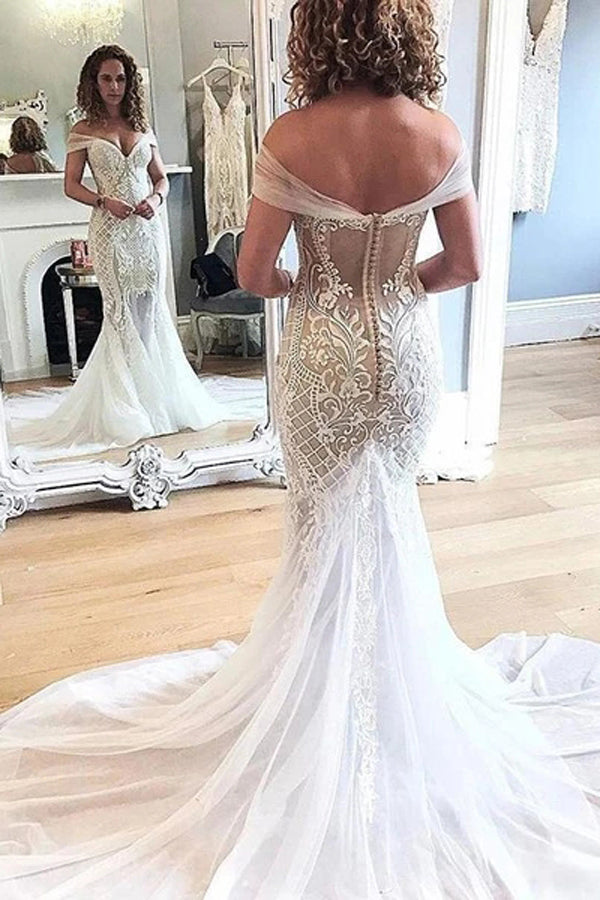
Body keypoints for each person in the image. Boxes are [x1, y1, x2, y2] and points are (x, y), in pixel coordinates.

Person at [2, 4, 600, 897]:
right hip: (404, 357)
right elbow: (465, 264)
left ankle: (317, 714)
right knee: (390, 518)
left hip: (323, 354)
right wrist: (394, 286)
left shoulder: (291, 134)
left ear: (319, 30)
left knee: (322, 531)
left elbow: (252, 273)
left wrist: (309, 284)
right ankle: (397, 712)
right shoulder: (438, 133)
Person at [8, 45, 225, 455]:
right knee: (120, 311)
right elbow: (70, 185)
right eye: (106, 78)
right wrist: (103, 201)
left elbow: (160, 179)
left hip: (147, 231)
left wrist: (156, 200)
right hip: (109, 230)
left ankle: (159, 399)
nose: (114, 86)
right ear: (94, 82)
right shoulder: (83, 130)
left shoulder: (142, 125)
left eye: (121, 78)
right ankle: (127, 404)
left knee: (151, 311)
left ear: (130, 83)